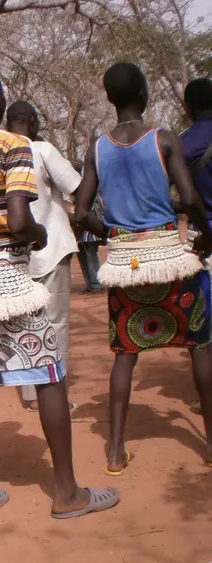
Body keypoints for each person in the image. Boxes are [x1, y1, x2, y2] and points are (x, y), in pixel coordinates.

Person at [0, 63, 118, 521]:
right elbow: (18, 220)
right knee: (49, 374)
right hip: (12, 284)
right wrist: (38, 234)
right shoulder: (12, 145)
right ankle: (67, 493)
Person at [75, 62, 212, 473]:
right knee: (200, 346)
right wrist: (205, 234)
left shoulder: (97, 149)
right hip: (171, 258)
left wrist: (113, 233)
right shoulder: (163, 139)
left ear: (109, 97)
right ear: (144, 93)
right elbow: (191, 200)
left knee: (125, 352)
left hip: (125, 264)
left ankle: (116, 453)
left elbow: (81, 213)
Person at [6, 101, 81, 412]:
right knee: (56, 322)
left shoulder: (0, 153)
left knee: (23, 323)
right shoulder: (42, 150)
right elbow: (75, 185)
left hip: (14, 256)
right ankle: (54, 392)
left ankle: (30, 394)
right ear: (32, 122)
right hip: (51, 247)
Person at [181, 78, 212, 418]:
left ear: (187, 107)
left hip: (204, 239)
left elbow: (180, 198)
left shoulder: (183, 143)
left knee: (204, 324)